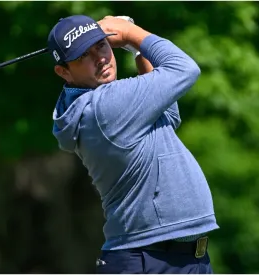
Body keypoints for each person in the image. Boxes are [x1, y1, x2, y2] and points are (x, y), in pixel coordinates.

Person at [47, 14, 220, 274]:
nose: (100, 58)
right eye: (83, 56)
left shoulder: (99, 106)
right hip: (149, 260)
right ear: (64, 72)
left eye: (101, 45)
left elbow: (169, 117)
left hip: (172, 258)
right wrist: (130, 33)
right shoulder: (105, 106)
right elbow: (185, 69)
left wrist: (136, 48)